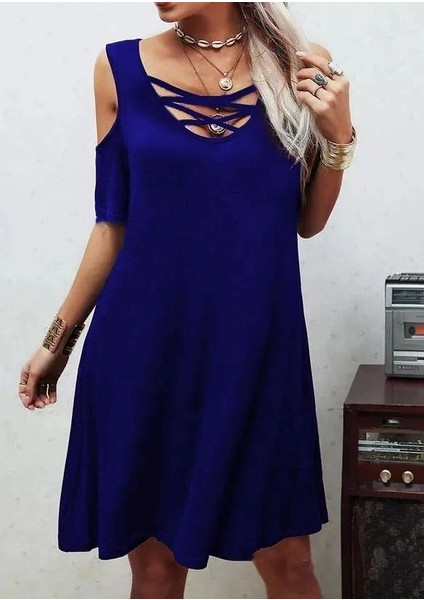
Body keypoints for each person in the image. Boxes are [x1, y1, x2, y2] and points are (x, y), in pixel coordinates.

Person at [18, 2, 356, 598]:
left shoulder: (298, 65)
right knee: (156, 571)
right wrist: (57, 342)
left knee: (289, 566)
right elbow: (112, 224)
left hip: (258, 356)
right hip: (144, 354)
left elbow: (307, 222)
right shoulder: (117, 69)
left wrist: (339, 137)